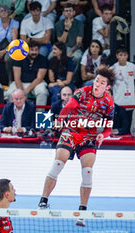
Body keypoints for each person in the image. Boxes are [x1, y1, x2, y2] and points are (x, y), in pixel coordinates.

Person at [38, 66, 115, 227]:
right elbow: (68, 107)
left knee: (88, 171)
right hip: (71, 130)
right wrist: (60, 119)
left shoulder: (108, 102)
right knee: (58, 163)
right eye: (96, 80)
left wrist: (103, 135)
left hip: (89, 136)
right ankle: (43, 201)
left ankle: (82, 212)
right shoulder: (82, 92)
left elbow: (108, 127)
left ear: (107, 87)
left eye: (102, 82)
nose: (97, 84)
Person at [5, 41, 48, 110]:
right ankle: (13, 115)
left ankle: (40, 116)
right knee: (9, 93)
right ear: (27, 50)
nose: (34, 52)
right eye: (32, 50)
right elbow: (17, 78)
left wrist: (26, 91)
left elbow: (39, 78)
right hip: (20, 82)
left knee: (42, 92)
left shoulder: (43, 59)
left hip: (36, 83)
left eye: (36, 50)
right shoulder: (19, 58)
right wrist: (21, 92)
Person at [110, 47, 135, 123]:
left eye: (124, 55)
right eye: (120, 55)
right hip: (118, 99)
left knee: (129, 121)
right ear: (117, 56)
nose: (122, 57)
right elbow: (110, 84)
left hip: (130, 99)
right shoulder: (112, 68)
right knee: (119, 121)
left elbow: (134, 79)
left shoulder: (132, 66)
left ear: (127, 56)